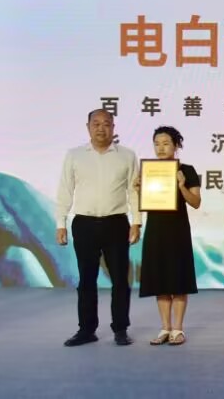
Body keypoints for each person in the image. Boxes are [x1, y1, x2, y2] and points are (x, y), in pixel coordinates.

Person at [55, 109, 141, 347]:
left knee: (120, 280)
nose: (101, 128)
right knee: (86, 279)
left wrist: (137, 221)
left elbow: (134, 191)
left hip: (116, 223)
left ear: (113, 127)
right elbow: (65, 190)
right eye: (96, 124)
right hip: (84, 223)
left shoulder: (127, 156)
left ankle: (121, 329)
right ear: (88, 127)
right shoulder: (74, 155)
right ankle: (86, 329)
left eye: (106, 124)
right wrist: (60, 223)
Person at [137, 126, 201, 346]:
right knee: (160, 280)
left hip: (178, 231)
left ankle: (178, 329)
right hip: (155, 230)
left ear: (176, 145)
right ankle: (165, 328)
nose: (161, 148)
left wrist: (181, 185)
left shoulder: (187, 170)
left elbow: (196, 202)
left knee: (178, 280)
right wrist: (138, 189)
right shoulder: (149, 170)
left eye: (166, 143)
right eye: (157, 144)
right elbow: (145, 202)